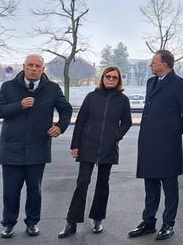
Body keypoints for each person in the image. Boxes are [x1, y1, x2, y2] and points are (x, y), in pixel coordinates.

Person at [0, 54, 73, 239]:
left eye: (38, 66)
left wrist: (60, 126)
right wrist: (19, 105)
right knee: (10, 191)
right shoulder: (8, 86)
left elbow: (66, 109)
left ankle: (32, 223)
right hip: (11, 149)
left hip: (38, 148)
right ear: (24, 66)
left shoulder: (52, 88)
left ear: (43, 69)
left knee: (34, 191)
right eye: (30, 65)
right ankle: (8, 224)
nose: (34, 69)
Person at [58, 66, 132, 238]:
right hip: (88, 146)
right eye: (108, 76)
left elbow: (127, 122)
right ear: (103, 78)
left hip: (109, 148)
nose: (111, 79)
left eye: (114, 77)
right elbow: (80, 122)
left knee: (102, 184)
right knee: (82, 182)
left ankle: (98, 218)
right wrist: (75, 145)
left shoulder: (123, 100)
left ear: (118, 80)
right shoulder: (91, 97)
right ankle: (71, 222)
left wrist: (116, 136)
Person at [128, 50, 183, 241]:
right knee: (150, 185)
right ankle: (148, 222)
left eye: (154, 62)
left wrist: (176, 132)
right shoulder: (151, 82)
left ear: (164, 64)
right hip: (148, 142)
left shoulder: (178, 83)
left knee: (170, 186)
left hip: (167, 143)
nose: (151, 65)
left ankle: (168, 224)